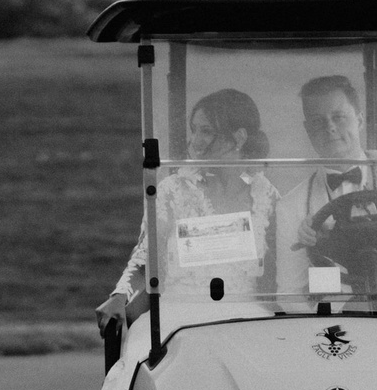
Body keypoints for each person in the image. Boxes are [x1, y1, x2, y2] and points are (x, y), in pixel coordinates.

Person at [94, 87, 281, 337]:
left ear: (238, 138)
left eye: (206, 131)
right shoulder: (173, 191)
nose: (194, 141)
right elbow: (145, 259)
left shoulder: (266, 196)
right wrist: (119, 295)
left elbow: (280, 269)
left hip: (245, 320)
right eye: (194, 130)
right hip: (181, 322)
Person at [278, 74, 377, 301]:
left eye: (339, 117)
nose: (330, 128)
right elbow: (289, 295)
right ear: (307, 130)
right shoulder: (291, 207)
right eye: (317, 121)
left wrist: (329, 235)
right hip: (339, 322)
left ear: (360, 120)